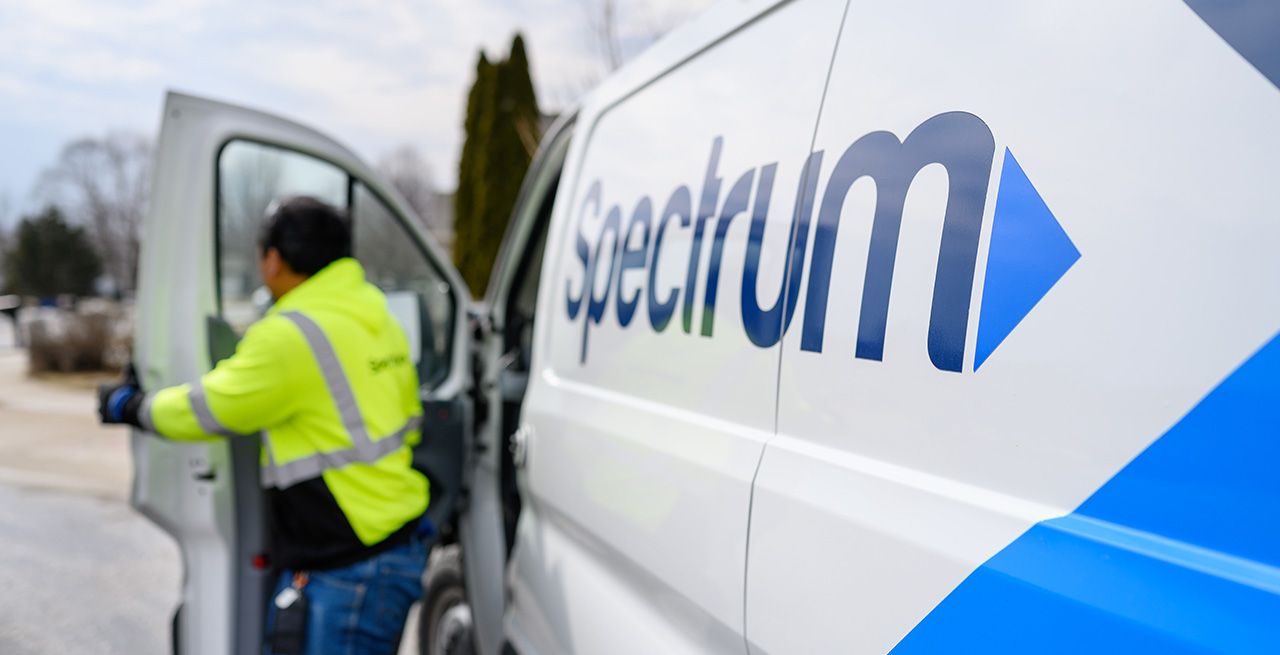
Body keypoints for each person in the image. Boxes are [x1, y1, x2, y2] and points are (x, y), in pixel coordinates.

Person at [98, 197, 431, 655]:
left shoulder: (291, 334)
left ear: (274, 259)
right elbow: (407, 420)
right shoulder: (375, 315)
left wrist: (130, 406)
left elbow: (208, 408)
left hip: (349, 566)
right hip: (393, 544)